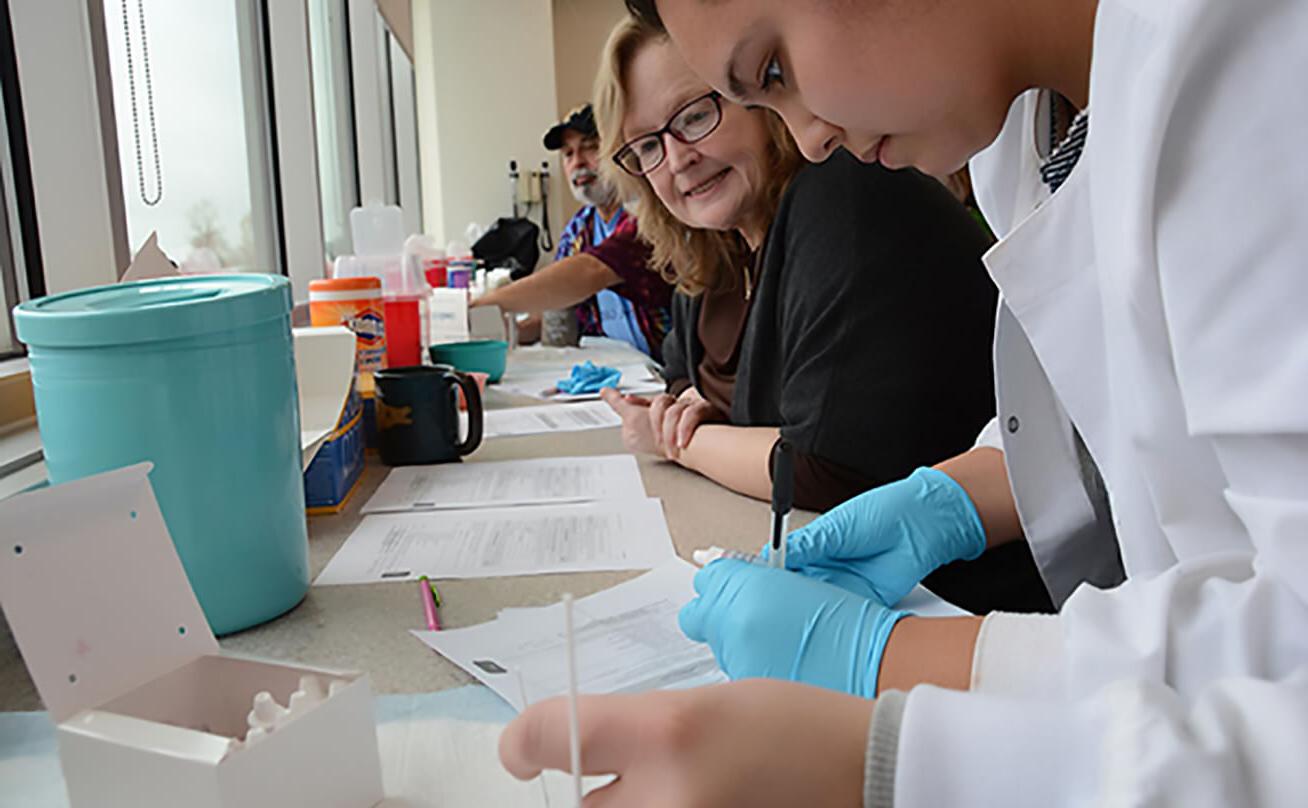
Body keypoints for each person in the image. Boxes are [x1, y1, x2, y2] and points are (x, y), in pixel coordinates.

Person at [500, 0, 1308, 805]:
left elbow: (1291, 662)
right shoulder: (1020, 137)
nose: (809, 135)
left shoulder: (1254, 57)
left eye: (773, 72)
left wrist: (896, 723)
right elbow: (1100, 411)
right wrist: (949, 497)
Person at [591, 19, 1039, 619]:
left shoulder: (843, 193)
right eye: (647, 146)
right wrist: (691, 412)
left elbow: (819, 467)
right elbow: (682, 382)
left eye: (694, 117)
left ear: (760, 98)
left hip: (960, 605)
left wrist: (684, 444)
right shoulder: (715, 255)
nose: (676, 160)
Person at [472, 104, 673, 360]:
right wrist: (509, 332)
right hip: (618, 368)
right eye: (568, 154)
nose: (578, 162)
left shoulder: (650, 213)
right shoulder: (580, 228)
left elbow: (590, 272)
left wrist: (483, 305)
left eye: (591, 147)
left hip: (666, 372)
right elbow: (558, 306)